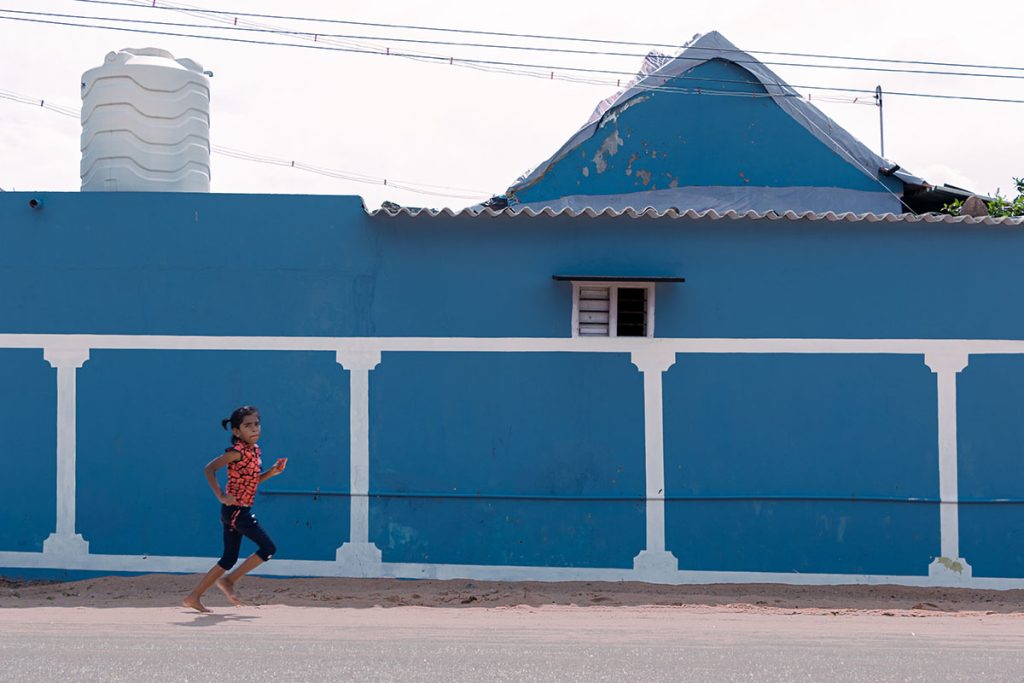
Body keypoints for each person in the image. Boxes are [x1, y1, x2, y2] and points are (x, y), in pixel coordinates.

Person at [182, 405, 287, 613]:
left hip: (236, 512)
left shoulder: (254, 450)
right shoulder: (237, 452)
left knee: (229, 558)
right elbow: (209, 469)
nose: (254, 429)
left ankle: (193, 597)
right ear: (237, 432)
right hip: (237, 512)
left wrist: (272, 472)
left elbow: (252, 480)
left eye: (257, 424)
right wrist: (220, 495)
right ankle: (229, 581)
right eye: (248, 426)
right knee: (268, 548)